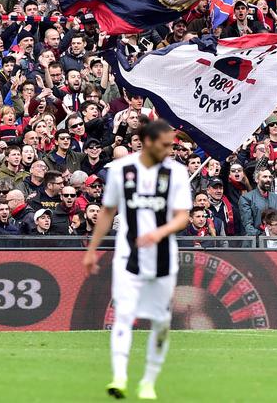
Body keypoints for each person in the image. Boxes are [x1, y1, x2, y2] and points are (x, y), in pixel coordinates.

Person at [83, 120, 191, 401]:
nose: (170, 150)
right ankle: (119, 376)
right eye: (165, 145)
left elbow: (182, 217)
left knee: (161, 321)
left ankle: (148, 382)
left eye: (172, 145)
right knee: (124, 315)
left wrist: (159, 233)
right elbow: (107, 211)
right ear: (147, 141)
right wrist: (92, 249)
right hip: (128, 256)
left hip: (164, 258)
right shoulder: (121, 170)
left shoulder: (177, 173)